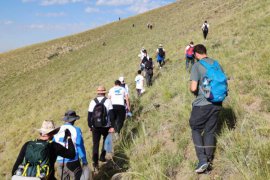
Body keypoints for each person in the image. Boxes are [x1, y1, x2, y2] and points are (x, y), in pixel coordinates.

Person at [189, 44, 225, 173]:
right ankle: (208, 162)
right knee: (209, 131)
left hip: (202, 104)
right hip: (217, 102)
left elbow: (193, 88)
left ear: (196, 54)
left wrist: (194, 89)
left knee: (195, 128)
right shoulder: (216, 63)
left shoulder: (197, 66)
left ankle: (202, 160)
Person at [54, 110, 88, 180]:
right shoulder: (76, 130)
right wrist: (84, 160)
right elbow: (80, 146)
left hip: (60, 161)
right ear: (74, 120)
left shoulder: (57, 130)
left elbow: (53, 145)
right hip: (73, 161)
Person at [87, 86, 115, 171]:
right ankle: (102, 157)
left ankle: (95, 164)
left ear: (98, 92)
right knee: (106, 141)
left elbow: (89, 115)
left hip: (95, 126)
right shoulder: (108, 101)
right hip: (105, 126)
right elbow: (111, 115)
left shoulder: (92, 101)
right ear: (104, 92)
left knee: (95, 144)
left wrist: (90, 126)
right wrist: (112, 126)